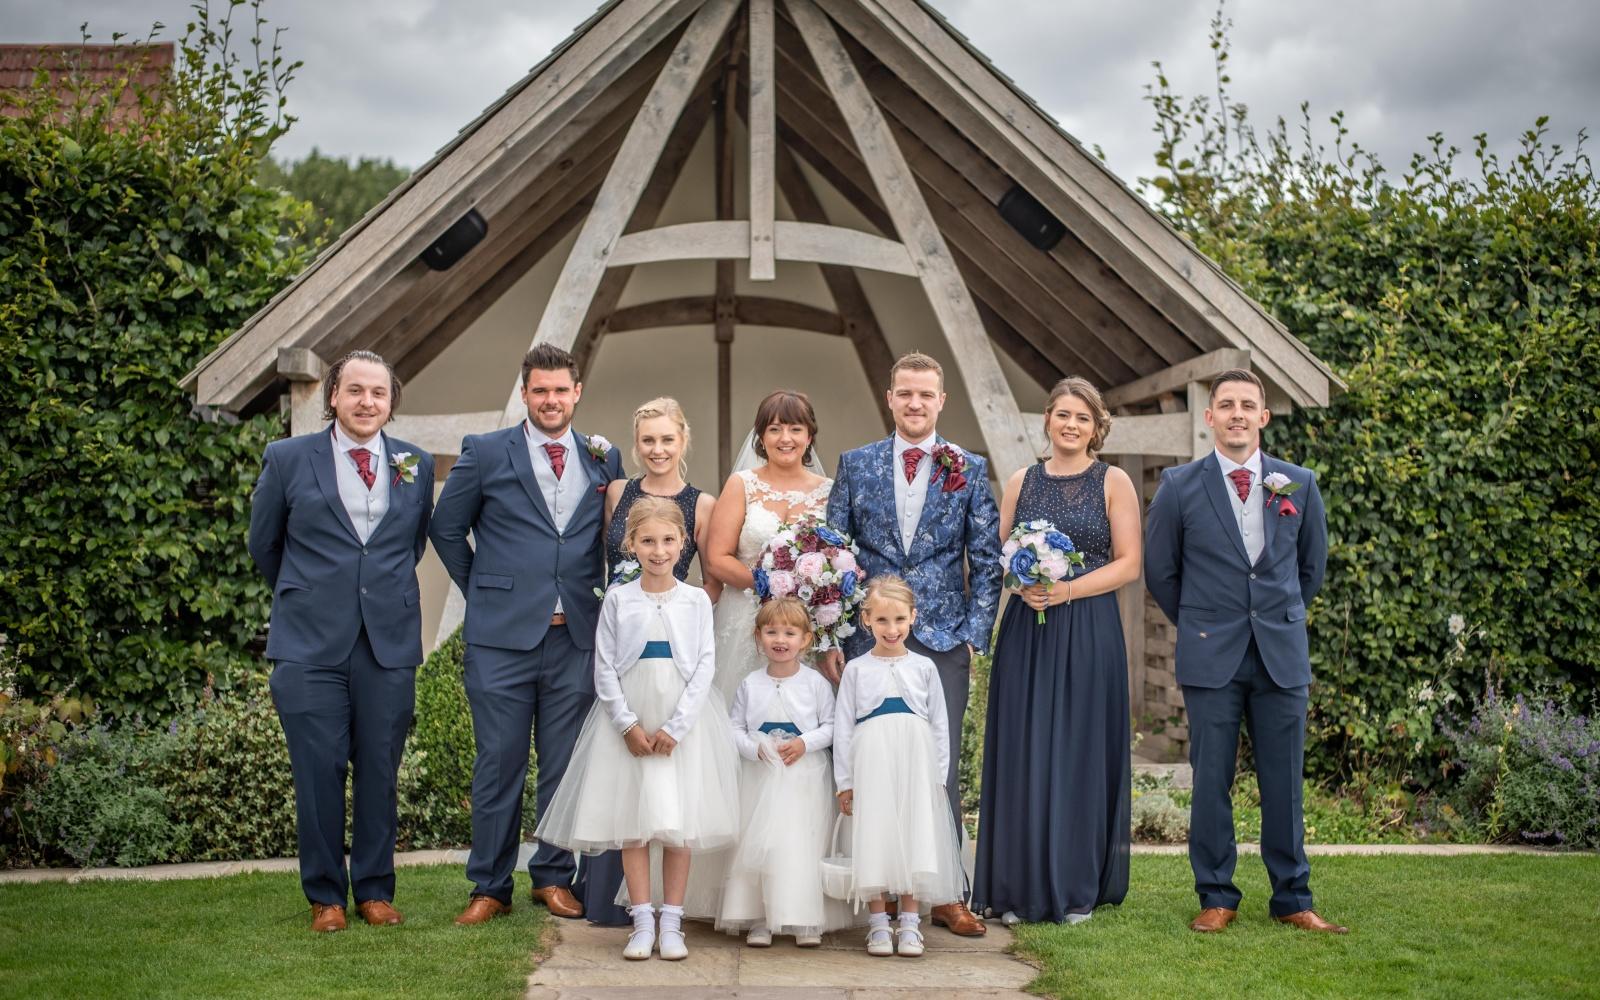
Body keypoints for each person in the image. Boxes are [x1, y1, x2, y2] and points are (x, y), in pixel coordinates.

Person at [1143, 368, 1345, 934]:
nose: (1236, 412)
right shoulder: (1180, 485)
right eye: (1225, 404)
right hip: (1212, 654)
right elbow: (1162, 572)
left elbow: (1311, 567)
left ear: (1263, 416)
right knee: (1211, 780)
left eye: (1247, 404)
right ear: (1209, 417)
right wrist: (1204, 620)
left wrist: (1275, 617)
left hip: (1280, 651)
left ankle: (1293, 899)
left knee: (1284, 781)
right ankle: (1217, 895)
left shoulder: (1298, 482)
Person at [429, 343, 624, 925]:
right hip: (500, 640)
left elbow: (609, 538)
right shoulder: (487, 452)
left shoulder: (602, 457)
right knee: (499, 761)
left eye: (560, 390)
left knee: (564, 763)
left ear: (577, 393)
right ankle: (488, 885)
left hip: (576, 638)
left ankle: (552, 876)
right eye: (540, 390)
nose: (550, 400)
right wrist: (485, 592)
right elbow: (445, 529)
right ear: (525, 393)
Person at [248, 350, 434, 933]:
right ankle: (325, 896)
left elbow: (412, 545)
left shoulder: (415, 464)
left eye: (378, 393)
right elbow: (264, 544)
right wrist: (311, 595)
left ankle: (375, 890)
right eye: (355, 391)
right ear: (334, 396)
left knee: (380, 768)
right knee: (318, 771)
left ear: (390, 401)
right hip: (308, 644)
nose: (366, 403)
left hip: (387, 644)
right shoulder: (287, 458)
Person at [824, 352, 1000, 937]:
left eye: (926, 395)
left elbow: (987, 559)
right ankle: (874, 893)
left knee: (939, 769)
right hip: (868, 638)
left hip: (943, 636)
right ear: (890, 396)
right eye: (905, 394)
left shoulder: (968, 468)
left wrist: (974, 634)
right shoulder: (856, 464)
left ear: (941, 400)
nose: (915, 404)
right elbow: (835, 556)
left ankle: (946, 894)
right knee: (867, 764)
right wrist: (833, 633)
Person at [535, 497, 740, 961]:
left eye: (668, 540)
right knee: (634, 824)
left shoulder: (694, 601)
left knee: (677, 825)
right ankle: (641, 921)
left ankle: (673, 922)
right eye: (647, 541)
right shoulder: (619, 599)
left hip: (682, 721)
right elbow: (605, 666)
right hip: (629, 718)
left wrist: (679, 725)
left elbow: (705, 665)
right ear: (631, 545)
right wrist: (626, 723)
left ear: (684, 543)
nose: (659, 550)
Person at [972, 377, 1139, 926]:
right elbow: (1001, 550)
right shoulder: (1022, 479)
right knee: (1025, 747)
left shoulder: (1113, 481)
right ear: (1047, 419)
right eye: (1063, 414)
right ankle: (1018, 888)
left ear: (1097, 427)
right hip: (1028, 628)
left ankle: (1071, 887)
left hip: (1088, 626)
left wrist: (1067, 588)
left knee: (1077, 748)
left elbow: (1128, 563)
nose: (1071, 425)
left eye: (1083, 418)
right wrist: (1021, 578)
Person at [582, 396, 721, 926]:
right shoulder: (618, 492)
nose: (657, 448)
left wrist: (678, 615)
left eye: (667, 438)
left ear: (683, 440)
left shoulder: (700, 504)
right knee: (630, 808)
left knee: (675, 810)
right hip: (628, 649)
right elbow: (600, 558)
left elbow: (708, 577)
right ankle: (631, 913)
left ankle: (672, 916)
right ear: (635, 443)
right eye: (648, 440)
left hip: (677, 646)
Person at [833, 576, 964, 958]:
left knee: (912, 835)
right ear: (866, 621)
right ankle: (877, 925)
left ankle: (909, 924)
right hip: (871, 761)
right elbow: (844, 728)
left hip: (914, 761)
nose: (892, 629)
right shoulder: (857, 669)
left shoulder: (924, 667)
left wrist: (938, 778)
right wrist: (845, 782)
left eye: (900, 620)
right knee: (875, 834)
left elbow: (940, 724)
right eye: (883, 621)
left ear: (913, 618)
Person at [718, 597, 853, 947]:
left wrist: (805, 743)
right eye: (772, 632)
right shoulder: (750, 683)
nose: (780, 639)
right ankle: (762, 917)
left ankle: (805, 919)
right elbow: (733, 728)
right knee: (762, 844)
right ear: (758, 636)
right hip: (760, 776)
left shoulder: (814, 683)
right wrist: (754, 747)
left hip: (803, 776)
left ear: (805, 640)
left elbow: (831, 725)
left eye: (790, 633)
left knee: (800, 842)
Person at [705, 390, 832, 706]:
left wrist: (803, 592)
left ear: (809, 435)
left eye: (795, 429)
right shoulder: (742, 484)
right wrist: (772, 585)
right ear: (761, 436)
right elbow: (717, 558)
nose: (785, 438)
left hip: (804, 624)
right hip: (744, 619)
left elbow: (833, 558)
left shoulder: (829, 491)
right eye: (774, 429)